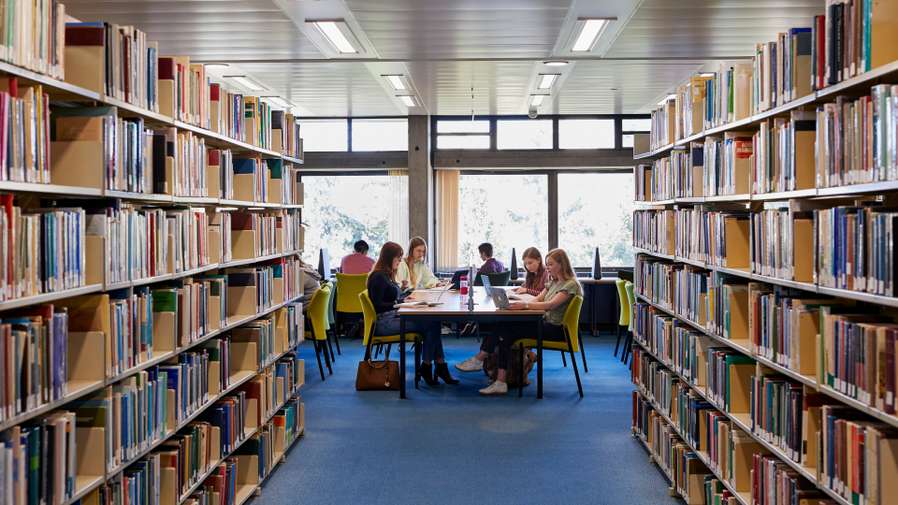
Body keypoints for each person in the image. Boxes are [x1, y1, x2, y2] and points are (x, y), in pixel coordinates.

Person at [455, 248, 582, 395]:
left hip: (557, 330)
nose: (547, 268)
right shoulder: (553, 282)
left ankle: (483, 362)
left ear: (561, 264)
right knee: (504, 329)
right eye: (547, 264)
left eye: (550, 264)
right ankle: (497, 379)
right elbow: (538, 299)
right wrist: (519, 305)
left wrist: (526, 306)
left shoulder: (570, 284)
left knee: (507, 331)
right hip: (545, 323)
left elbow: (551, 305)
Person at [367, 242, 458, 386]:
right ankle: (432, 366)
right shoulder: (378, 276)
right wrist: (399, 303)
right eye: (397, 258)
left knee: (433, 323)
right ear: (389, 258)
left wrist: (402, 299)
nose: (399, 261)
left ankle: (434, 366)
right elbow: (377, 305)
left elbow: (388, 298)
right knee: (432, 325)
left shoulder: (385, 275)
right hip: (383, 323)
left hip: (391, 316)